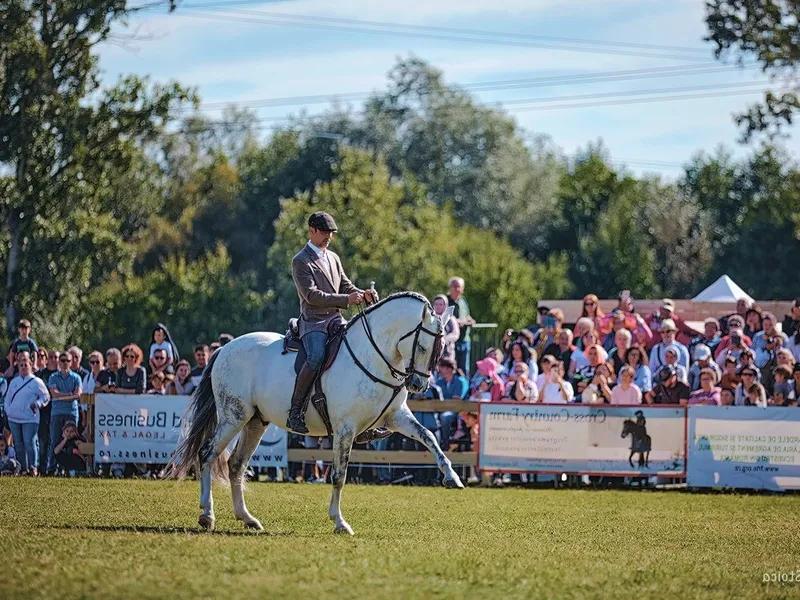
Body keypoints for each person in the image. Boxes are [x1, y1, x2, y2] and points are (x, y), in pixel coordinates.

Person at [287, 211, 379, 436]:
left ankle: (362, 417)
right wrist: (346, 300)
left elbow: (345, 285)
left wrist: (362, 294)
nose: (329, 236)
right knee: (316, 356)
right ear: (312, 231)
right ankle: (295, 411)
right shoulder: (300, 260)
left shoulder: (334, 258)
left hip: (336, 319)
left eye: (331, 233)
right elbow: (311, 295)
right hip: (314, 322)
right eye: (325, 232)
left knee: (359, 350)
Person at [5, 352, 49, 475]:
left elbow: (46, 396)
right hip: (14, 418)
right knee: (18, 444)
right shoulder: (14, 381)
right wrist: (8, 410)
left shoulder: (37, 382)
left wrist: (38, 404)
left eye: (26, 364)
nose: (24, 367)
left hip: (30, 418)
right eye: (21, 365)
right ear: (18, 367)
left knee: (30, 442)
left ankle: (33, 467)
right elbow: (8, 397)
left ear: (30, 365)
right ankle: (22, 468)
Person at [47, 351, 82, 474]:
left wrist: (62, 396)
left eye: (67, 360)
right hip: (57, 413)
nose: (65, 363)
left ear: (71, 362)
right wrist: (69, 395)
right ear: (59, 362)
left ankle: (69, 468)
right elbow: (54, 394)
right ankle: (51, 468)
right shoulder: (53, 377)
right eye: (62, 360)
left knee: (71, 442)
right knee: (55, 440)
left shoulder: (76, 378)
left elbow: (78, 395)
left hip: (71, 412)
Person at [434, 358, 469, 451]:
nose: (438, 369)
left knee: (445, 417)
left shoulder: (460, 381)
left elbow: (456, 400)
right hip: (440, 408)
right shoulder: (439, 381)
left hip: (456, 411)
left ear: (449, 369)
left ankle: (445, 444)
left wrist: (443, 402)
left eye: (441, 367)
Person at [34, 350, 59, 473]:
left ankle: (55, 468)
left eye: (56, 357)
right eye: (51, 357)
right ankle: (42, 467)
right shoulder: (40, 375)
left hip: (58, 410)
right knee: (43, 440)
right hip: (44, 411)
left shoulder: (61, 375)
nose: (53, 359)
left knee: (56, 440)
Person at [447, 277, 476, 376]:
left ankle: (464, 390)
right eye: (454, 286)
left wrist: (470, 320)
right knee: (451, 367)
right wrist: (456, 322)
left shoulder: (463, 301)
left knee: (464, 369)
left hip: (465, 339)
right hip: (451, 340)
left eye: (459, 287)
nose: (457, 289)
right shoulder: (445, 301)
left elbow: (467, 315)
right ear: (450, 288)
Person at [432, 294, 460, 364]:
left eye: (441, 304)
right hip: (432, 352)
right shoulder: (430, 318)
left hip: (447, 352)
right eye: (436, 304)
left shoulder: (450, 318)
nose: (438, 306)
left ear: (445, 305)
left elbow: (455, 334)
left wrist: (444, 339)